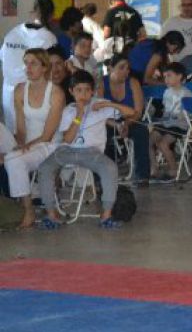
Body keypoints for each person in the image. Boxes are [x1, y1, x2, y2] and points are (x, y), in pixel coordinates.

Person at [37, 70, 136, 229]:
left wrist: (108, 104)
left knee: (110, 168)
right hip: (67, 151)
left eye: (87, 90)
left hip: (91, 153)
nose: (83, 94)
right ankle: (51, 215)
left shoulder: (100, 105)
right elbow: (68, 139)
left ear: (92, 91)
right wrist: (79, 114)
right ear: (71, 91)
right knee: (45, 168)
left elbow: (132, 113)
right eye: (78, 90)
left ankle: (106, 216)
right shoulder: (68, 110)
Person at [4, 49, 65, 228]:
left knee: (12, 159)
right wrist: (20, 144)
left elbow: (48, 135)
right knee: (11, 153)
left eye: (33, 63)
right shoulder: (20, 90)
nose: (28, 67)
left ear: (45, 67)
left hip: (49, 145)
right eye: (26, 63)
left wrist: (25, 148)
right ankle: (24, 205)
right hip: (29, 144)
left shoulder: (56, 93)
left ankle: (28, 210)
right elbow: (21, 128)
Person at [1, 0, 57, 129]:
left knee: (12, 137)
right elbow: (52, 69)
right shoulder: (49, 38)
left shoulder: (12, 33)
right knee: (32, 137)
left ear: (33, 11)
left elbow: (3, 58)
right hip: (31, 93)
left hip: (8, 93)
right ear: (51, 15)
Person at [100, 53, 150, 186]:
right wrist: (116, 125)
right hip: (108, 121)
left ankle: (142, 175)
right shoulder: (101, 83)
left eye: (127, 68)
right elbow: (98, 113)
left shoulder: (133, 83)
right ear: (110, 68)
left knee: (142, 131)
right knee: (101, 134)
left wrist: (126, 124)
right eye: (121, 68)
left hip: (130, 119)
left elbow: (138, 112)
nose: (125, 72)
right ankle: (104, 176)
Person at [149, 62, 192, 182]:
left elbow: (190, 114)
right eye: (164, 77)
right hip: (166, 124)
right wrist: (160, 118)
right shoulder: (166, 92)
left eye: (169, 76)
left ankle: (173, 170)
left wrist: (175, 117)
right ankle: (154, 168)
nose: (166, 79)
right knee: (149, 140)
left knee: (163, 143)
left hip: (180, 126)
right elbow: (166, 111)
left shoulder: (186, 94)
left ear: (179, 76)